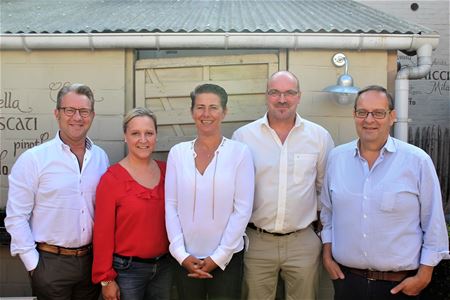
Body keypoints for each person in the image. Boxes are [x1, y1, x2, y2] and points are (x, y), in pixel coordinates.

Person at [320, 85, 450, 300]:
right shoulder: (336, 158)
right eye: (362, 112)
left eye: (378, 113)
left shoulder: (416, 161)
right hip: (347, 283)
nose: (369, 120)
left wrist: (424, 276)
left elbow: (434, 223)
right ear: (354, 115)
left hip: (399, 287)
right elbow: (328, 213)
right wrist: (327, 254)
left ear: (392, 117)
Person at [232, 71, 334, 300]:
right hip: (256, 241)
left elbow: (324, 190)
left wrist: (320, 233)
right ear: (265, 96)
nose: (282, 99)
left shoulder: (319, 137)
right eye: (274, 92)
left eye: (289, 93)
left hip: (303, 241)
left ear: (299, 96)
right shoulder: (243, 137)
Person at [5, 83, 109, 300]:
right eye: (69, 110)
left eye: (84, 111)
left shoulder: (100, 158)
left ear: (92, 115)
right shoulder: (34, 159)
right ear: (57, 113)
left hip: (90, 262)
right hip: (50, 263)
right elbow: (16, 218)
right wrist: (34, 266)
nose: (77, 117)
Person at [165, 83, 254, 300]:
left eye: (213, 107)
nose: (206, 114)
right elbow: (170, 205)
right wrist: (180, 254)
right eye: (200, 107)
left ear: (224, 112)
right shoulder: (178, 153)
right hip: (186, 258)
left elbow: (242, 209)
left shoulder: (240, 153)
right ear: (192, 111)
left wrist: (218, 258)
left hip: (227, 259)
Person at [92, 107, 172, 300]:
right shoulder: (111, 179)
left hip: (165, 268)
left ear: (156, 136)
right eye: (135, 133)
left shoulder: (169, 172)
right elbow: (102, 234)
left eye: (149, 133)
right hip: (126, 272)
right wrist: (106, 279)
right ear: (125, 137)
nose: (143, 140)